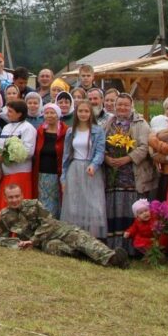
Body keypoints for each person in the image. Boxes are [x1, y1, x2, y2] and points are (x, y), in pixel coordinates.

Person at [0, 183, 128, 268]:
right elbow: (0, 239)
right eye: (11, 197)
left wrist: (32, 240)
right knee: (54, 248)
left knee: (79, 238)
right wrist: (18, 244)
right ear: (5, 198)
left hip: (58, 230)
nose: (14, 200)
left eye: (17, 196)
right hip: (43, 243)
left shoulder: (34, 204)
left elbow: (49, 223)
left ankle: (111, 257)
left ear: (22, 195)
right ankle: (90, 257)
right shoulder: (4, 216)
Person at [103, 93, 153, 251]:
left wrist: (128, 158)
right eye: (119, 104)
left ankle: (132, 248)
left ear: (131, 106)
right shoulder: (108, 123)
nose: (122, 108)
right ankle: (114, 245)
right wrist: (106, 158)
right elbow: (100, 144)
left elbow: (145, 147)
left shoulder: (141, 123)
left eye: (126, 105)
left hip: (132, 174)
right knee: (113, 208)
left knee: (129, 207)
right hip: (113, 175)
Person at [60, 101, 107, 239]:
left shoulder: (98, 131)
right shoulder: (71, 131)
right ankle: (75, 239)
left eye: (86, 111)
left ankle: (92, 239)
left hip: (91, 171)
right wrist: (63, 177)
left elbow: (100, 151)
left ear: (90, 113)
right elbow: (66, 156)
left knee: (93, 205)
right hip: (74, 169)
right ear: (76, 113)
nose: (83, 114)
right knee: (74, 205)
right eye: (80, 111)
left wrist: (94, 165)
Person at [0, 99, 38, 236]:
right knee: (6, 199)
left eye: (10, 111)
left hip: (20, 171)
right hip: (6, 171)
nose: (7, 114)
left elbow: (28, 151)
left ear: (19, 113)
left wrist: (8, 157)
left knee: (17, 201)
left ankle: (18, 232)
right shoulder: (6, 127)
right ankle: (3, 230)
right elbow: (0, 146)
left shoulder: (28, 128)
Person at [32, 103, 66, 217]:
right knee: (43, 202)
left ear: (58, 114)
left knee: (57, 201)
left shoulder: (65, 131)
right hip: (42, 173)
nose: (49, 115)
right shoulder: (40, 131)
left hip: (58, 173)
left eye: (52, 113)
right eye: (47, 113)